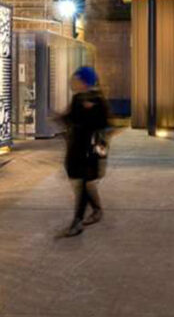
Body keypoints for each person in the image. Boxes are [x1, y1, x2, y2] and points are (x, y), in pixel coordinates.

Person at [60, 66, 109, 237]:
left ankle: (78, 221)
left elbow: (102, 123)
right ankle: (96, 209)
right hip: (75, 148)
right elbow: (70, 119)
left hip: (90, 149)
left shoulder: (97, 100)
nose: (73, 83)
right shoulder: (77, 99)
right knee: (82, 183)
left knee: (82, 183)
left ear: (85, 81)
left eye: (77, 80)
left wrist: (91, 110)